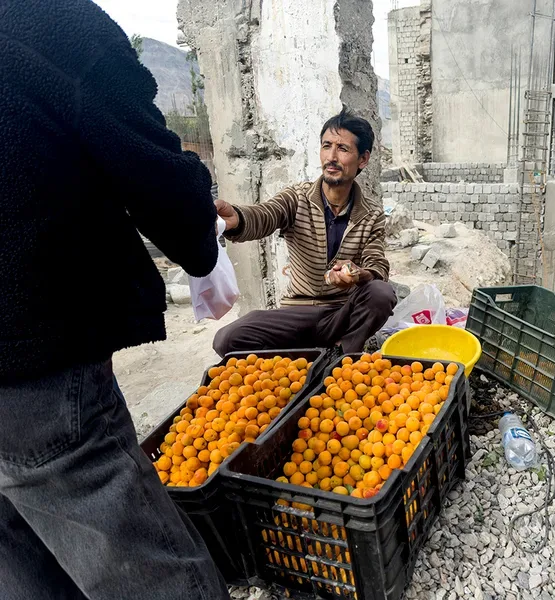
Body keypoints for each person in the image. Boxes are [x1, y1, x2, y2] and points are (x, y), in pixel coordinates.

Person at [0, 1, 230, 598]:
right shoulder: (48, 21)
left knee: (26, 565)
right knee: (145, 572)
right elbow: (150, 166)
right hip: (30, 371)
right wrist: (203, 242)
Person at [213, 109, 396, 356]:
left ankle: (342, 354)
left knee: (381, 293)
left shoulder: (372, 213)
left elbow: (377, 265)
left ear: (363, 159)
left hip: (340, 314)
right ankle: (307, 355)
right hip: (296, 313)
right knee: (227, 339)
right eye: (326, 146)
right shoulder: (297, 198)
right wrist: (238, 218)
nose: (331, 157)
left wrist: (359, 274)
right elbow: (266, 214)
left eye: (342, 149)